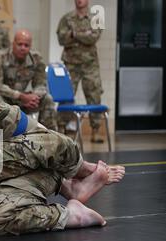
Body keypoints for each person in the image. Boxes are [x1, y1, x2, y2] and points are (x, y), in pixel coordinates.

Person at [0, 29, 58, 130]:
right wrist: (21, 96)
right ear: (13, 44)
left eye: (26, 45)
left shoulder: (36, 58)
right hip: (5, 99)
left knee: (48, 99)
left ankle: (49, 139)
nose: (23, 48)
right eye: (19, 44)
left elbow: (41, 84)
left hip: (26, 101)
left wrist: (34, 97)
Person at [57, 0, 104, 142]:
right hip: (71, 63)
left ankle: (95, 131)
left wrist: (73, 33)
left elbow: (94, 37)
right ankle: (62, 129)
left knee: (94, 95)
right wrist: (85, 33)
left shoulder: (97, 16)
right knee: (66, 96)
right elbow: (61, 39)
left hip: (90, 63)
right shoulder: (66, 18)